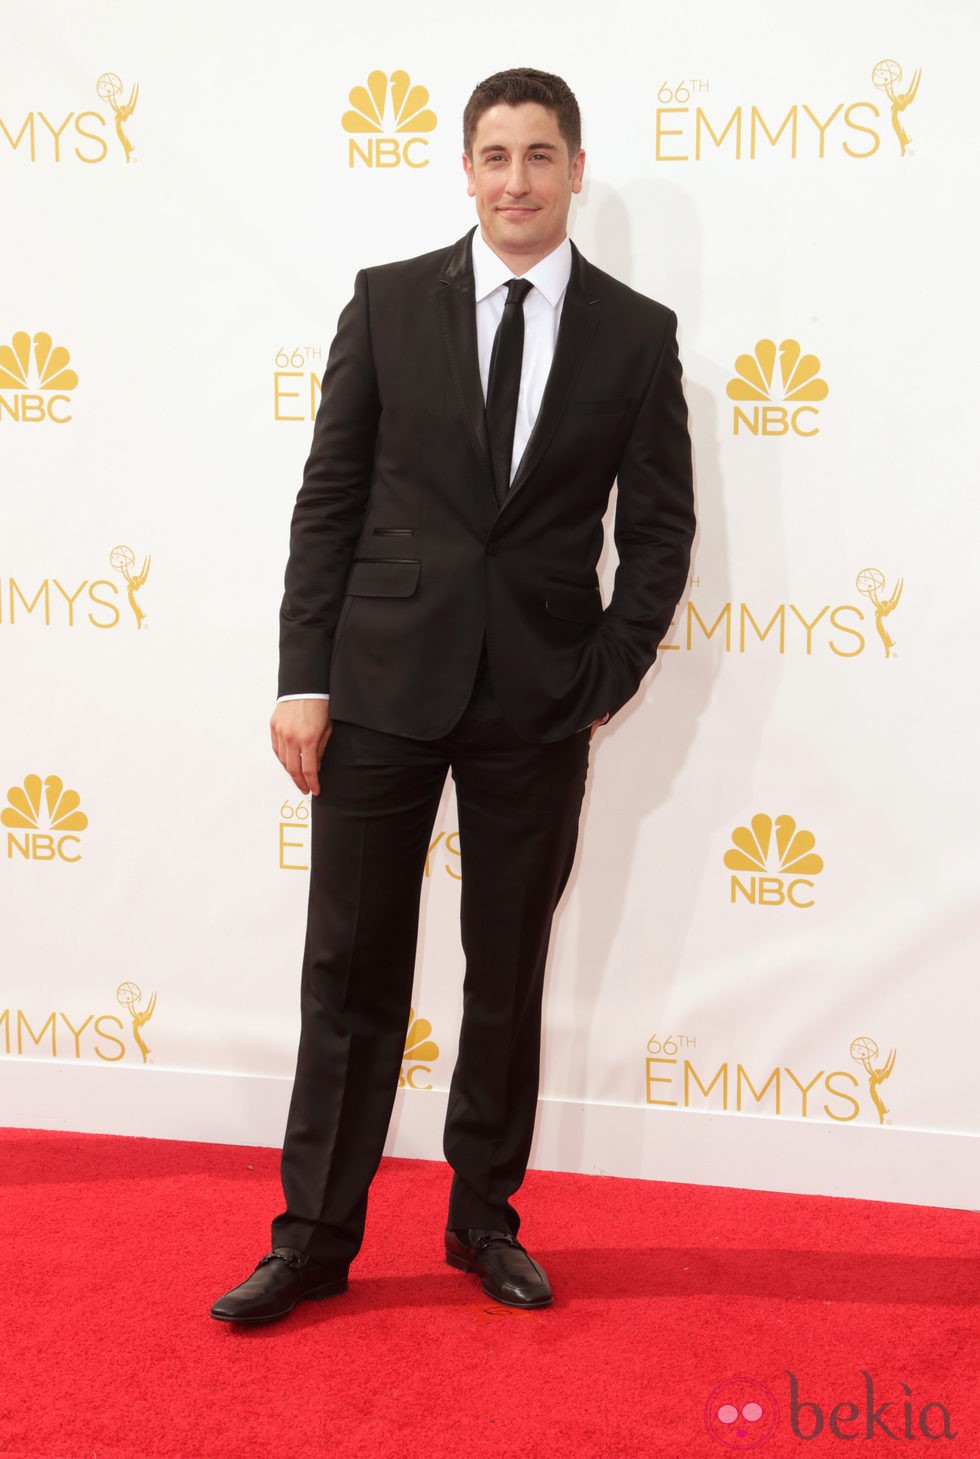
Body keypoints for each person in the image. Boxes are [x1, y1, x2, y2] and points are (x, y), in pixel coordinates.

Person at [211, 67, 695, 1325]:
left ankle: (483, 1221)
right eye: (494, 155)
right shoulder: (384, 305)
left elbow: (657, 533)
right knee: (350, 973)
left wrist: (603, 676)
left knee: (504, 973)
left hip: (537, 701)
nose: (516, 180)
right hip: (375, 691)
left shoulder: (634, 335)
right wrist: (303, 676)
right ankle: (313, 1236)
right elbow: (328, 500)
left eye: (540, 156)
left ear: (575, 171)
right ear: (465, 168)